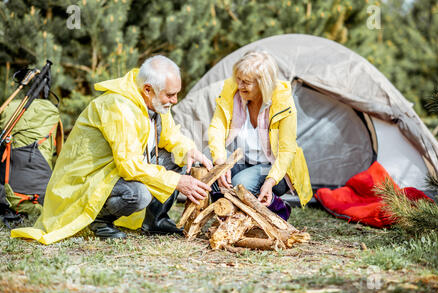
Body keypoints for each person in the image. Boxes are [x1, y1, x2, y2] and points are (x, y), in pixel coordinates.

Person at [11, 55, 212, 244]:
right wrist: (176, 180)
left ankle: (155, 221)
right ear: (148, 89)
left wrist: (188, 150)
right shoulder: (119, 107)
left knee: (179, 157)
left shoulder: (153, 100)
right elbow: (130, 166)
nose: (175, 100)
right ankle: (98, 220)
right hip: (88, 178)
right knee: (138, 194)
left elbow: (170, 136)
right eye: (170, 95)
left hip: (114, 170)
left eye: (177, 93)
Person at [208, 51, 312, 220]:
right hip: (243, 160)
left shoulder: (282, 102)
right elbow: (216, 128)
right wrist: (220, 164)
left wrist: (271, 181)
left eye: (246, 82)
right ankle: (226, 213)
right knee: (207, 161)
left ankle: (276, 207)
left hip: (272, 167)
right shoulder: (231, 91)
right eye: (238, 79)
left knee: (240, 183)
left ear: (263, 84)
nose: (239, 85)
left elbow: (287, 151)